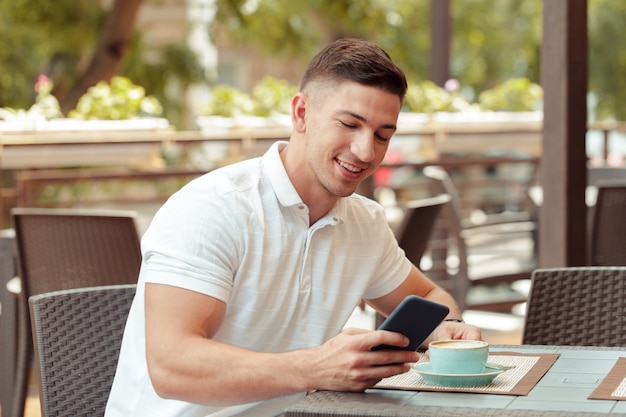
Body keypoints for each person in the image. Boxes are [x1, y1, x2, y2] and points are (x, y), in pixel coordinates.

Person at [105, 38, 482, 417]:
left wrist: (447, 327)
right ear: (301, 113)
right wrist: (316, 367)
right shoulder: (212, 209)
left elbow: (431, 297)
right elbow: (171, 366)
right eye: (350, 124)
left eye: (383, 135)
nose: (366, 152)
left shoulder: (364, 223)